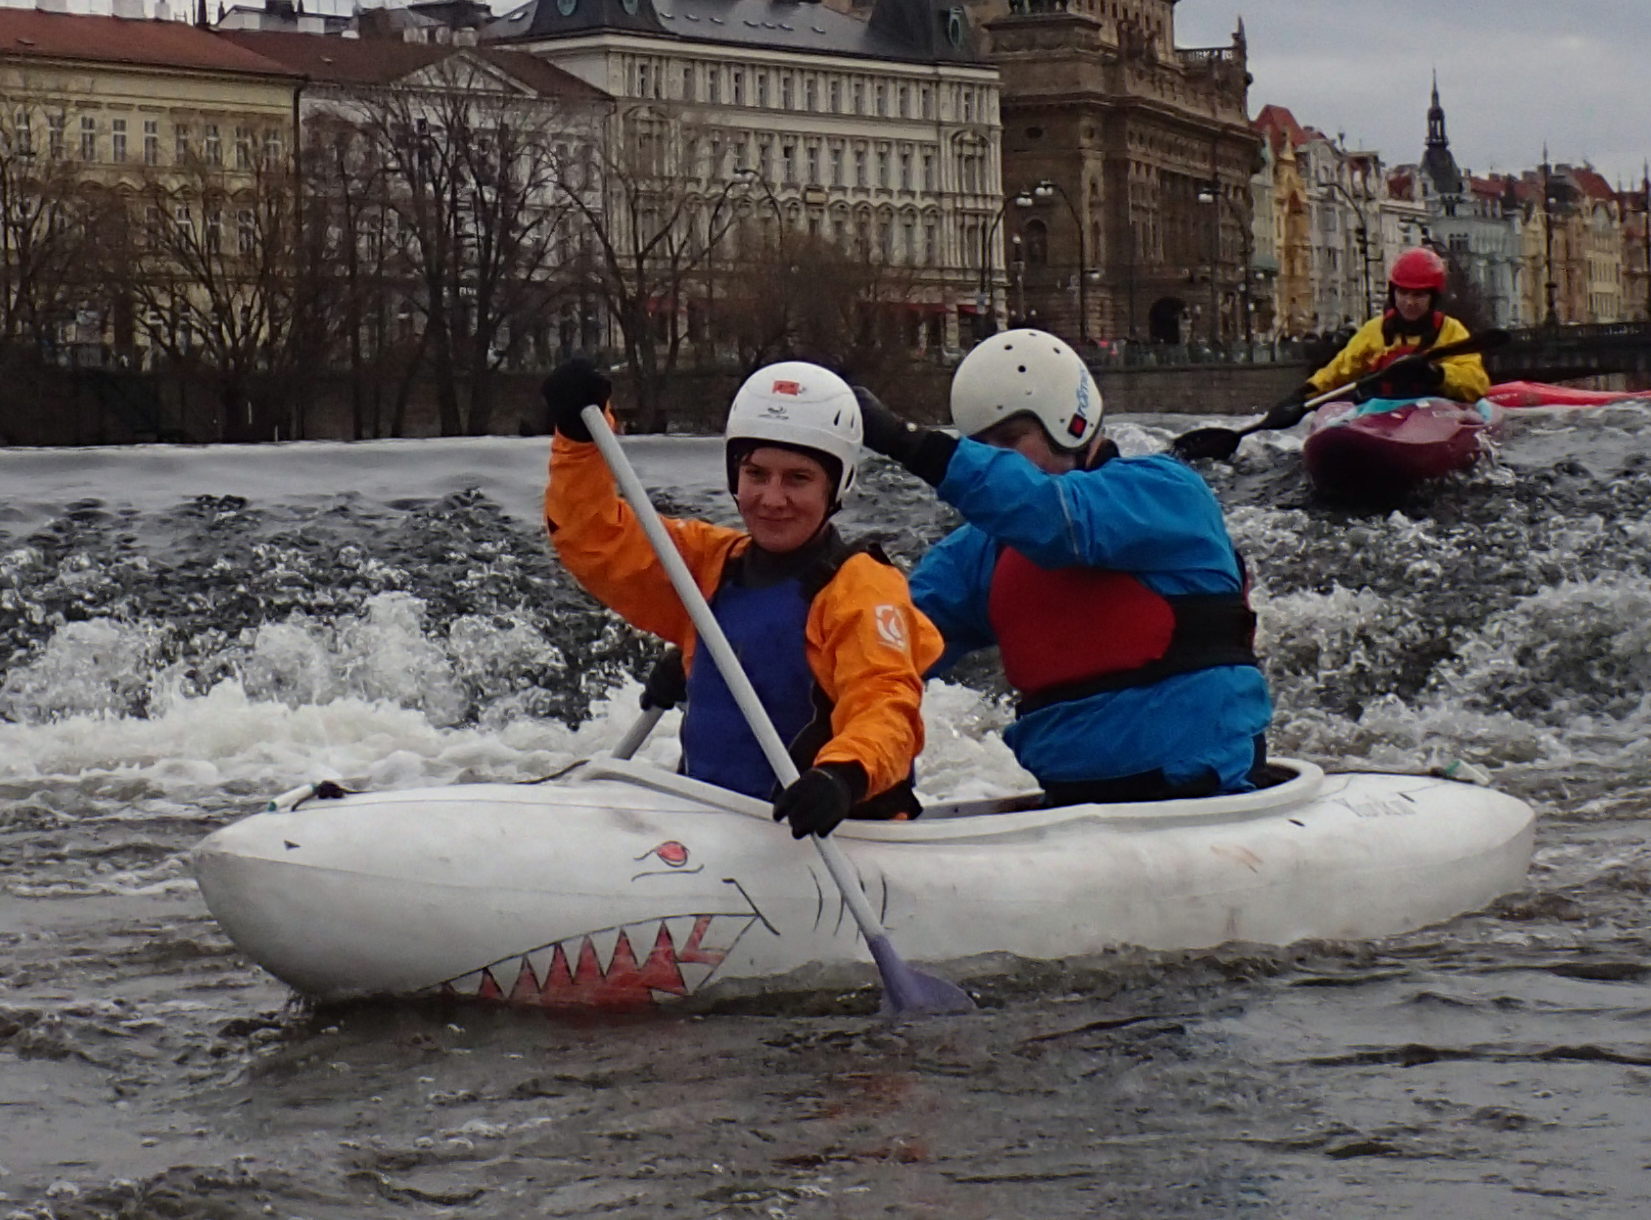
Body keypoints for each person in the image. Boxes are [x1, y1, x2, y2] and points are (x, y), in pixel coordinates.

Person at [853, 330, 1272, 803]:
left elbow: (1055, 517)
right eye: (980, 446)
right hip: (1069, 806)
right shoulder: (979, 553)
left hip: (1206, 795)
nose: (991, 459)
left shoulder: (1167, 493)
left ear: (1070, 425)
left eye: (1009, 439)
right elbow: (895, 647)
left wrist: (904, 441)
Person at [540, 358, 944, 835]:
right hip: (713, 828)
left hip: (821, 836)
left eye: (798, 478)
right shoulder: (711, 564)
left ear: (837, 486)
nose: (772, 499)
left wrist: (843, 774)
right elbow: (595, 538)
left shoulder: (863, 587)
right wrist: (578, 441)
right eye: (756, 474)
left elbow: (885, 702)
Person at [1308, 247, 1490, 404]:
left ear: (1433, 298)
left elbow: (1477, 383)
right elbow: (1339, 370)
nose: (1409, 302)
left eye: (1418, 295)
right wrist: (1306, 392)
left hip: (1433, 414)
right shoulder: (1375, 330)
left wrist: (1437, 374)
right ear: (1393, 293)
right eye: (1403, 293)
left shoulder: (1451, 331)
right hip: (1382, 415)